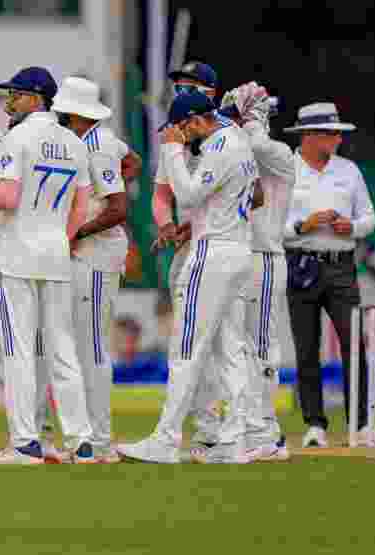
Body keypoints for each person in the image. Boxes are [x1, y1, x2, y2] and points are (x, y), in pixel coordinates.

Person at [118, 91, 255, 464]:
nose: (180, 136)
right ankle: (234, 441)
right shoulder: (237, 140)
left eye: (181, 129)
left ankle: (165, 440)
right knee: (231, 351)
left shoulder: (221, 146)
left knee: (185, 350)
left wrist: (172, 150)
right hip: (238, 249)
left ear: (194, 121)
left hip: (213, 254)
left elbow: (190, 195)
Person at [0, 67, 95, 465]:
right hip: (55, 252)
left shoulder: (17, 138)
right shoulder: (74, 143)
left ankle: (25, 443)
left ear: (36, 98)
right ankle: (82, 441)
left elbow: (8, 198)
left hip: (17, 255)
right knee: (63, 350)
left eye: (16, 94)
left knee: (19, 350)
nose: (10, 101)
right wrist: (62, 239)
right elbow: (81, 208)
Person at [282, 102, 375, 448]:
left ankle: (361, 424)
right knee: (306, 347)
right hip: (301, 264)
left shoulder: (348, 170)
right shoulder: (285, 170)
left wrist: (350, 226)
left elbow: (369, 218)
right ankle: (314, 425)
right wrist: (303, 225)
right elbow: (271, 227)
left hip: (341, 265)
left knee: (354, 345)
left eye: (338, 133)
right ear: (309, 135)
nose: (338, 139)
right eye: (332, 133)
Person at [53, 76, 134, 464]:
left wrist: (77, 231)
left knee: (94, 347)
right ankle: (93, 436)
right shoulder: (101, 141)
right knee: (85, 345)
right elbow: (132, 162)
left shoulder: (98, 146)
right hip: (88, 254)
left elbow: (118, 209)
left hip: (97, 254)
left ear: (74, 113)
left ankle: (100, 441)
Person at [152, 60, 228, 449]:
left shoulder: (226, 134)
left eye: (190, 86)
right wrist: (167, 224)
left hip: (222, 245)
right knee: (189, 340)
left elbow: (250, 195)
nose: (181, 91)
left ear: (210, 93)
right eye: (179, 86)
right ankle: (208, 426)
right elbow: (162, 193)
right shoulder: (175, 133)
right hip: (189, 247)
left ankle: (243, 427)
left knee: (223, 343)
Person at [220, 81, 296, 461]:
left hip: (264, 257)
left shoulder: (280, 153)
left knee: (262, 345)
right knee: (238, 347)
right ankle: (249, 426)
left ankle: (266, 431)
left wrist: (252, 114)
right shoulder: (239, 146)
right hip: (238, 253)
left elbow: (257, 146)